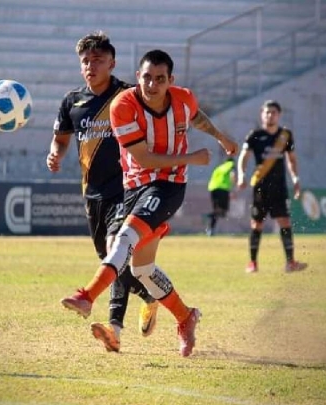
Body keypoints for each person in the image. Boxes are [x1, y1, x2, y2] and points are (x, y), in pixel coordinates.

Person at [60, 49, 238, 357]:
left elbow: (195, 117)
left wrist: (221, 137)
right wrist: (192, 158)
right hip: (134, 188)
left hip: (168, 186)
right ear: (138, 77)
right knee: (142, 269)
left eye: (160, 79)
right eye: (146, 77)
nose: (152, 85)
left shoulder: (183, 98)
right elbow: (143, 158)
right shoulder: (123, 106)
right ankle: (186, 317)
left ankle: (87, 296)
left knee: (123, 237)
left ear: (171, 80)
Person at [46, 32, 159, 353]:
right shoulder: (72, 101)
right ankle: (151, 294)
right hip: (92, 194)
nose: (90, 66)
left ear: (112, 63)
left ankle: (114, 330)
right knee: (111, 260)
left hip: (127, 189)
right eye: (85, 61)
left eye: (97, 60)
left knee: (115, 250)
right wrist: (54, 153)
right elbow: (62, 139)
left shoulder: (128, 95)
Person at [237, 100, 307, 273]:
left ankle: (290, 263)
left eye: (273, 113)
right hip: (260, 187)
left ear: (279, 115)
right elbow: (243, 157)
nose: (270, 115)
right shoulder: (254, 135)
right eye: (267, 112)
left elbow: (292, 160)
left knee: (284, 221)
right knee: (257, 224)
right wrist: (241, 175)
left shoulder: (286, 135)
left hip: (279, 187)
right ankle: (253, 263)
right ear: (262, 114)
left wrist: (296, 179)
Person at [205, 156, 236, 236]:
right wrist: (233, 190)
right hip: (223, 189)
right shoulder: (231, 164)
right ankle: (209, 217)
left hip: (213, 189)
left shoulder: (219, 168)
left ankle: (210, 229)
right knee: (223, 211)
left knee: (217, 211)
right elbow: (233, 175)